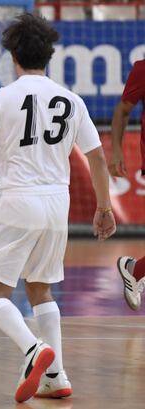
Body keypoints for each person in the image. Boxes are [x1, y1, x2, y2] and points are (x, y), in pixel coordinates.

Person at [0, 13, 116, 403]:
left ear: (12, 55)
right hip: (58, 204)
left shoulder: (2, 98)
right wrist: (103, 207)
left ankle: (33, 350)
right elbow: (98, 158)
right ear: (48, 55)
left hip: (18, 200)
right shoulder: (72, 100)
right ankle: (57, 376)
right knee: (40, 288)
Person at [108, 59, 145, 311]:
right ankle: (133, 270)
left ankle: (134, 270)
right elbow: (122, 110)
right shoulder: (142, 69)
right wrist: (116, 149)